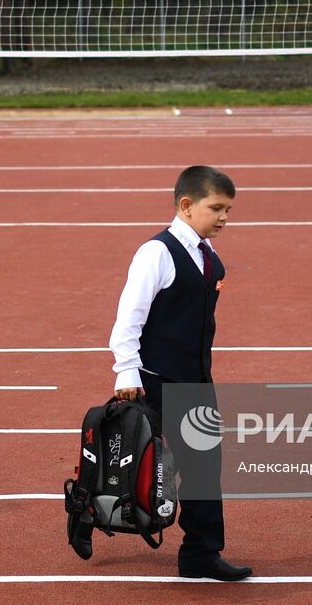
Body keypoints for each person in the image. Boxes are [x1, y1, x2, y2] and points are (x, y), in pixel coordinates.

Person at [108, 165, 252, 581]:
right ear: (186, 205)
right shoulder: (157, 252)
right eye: (217, 208)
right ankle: (89, 514)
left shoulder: (207, 253)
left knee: (205, 468)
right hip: (155, 378)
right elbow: (128, 319)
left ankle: (200, 555)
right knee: (140, 465)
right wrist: (126, 372)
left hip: (194, 379)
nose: (225, 217)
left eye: (229, 209)